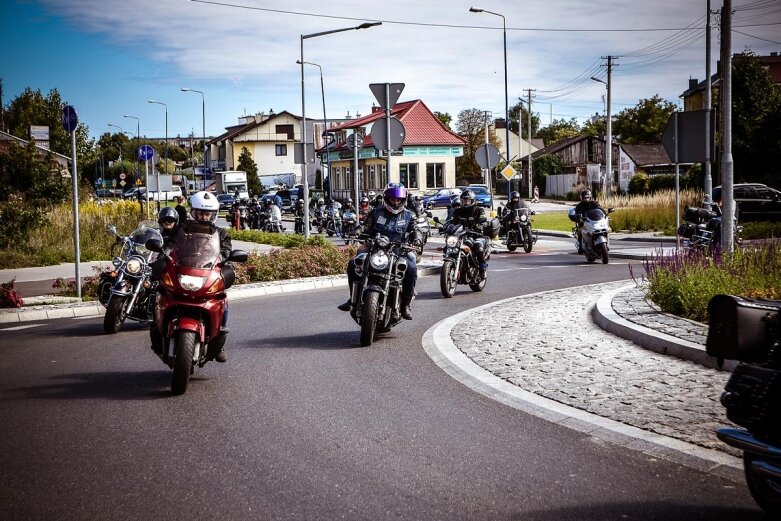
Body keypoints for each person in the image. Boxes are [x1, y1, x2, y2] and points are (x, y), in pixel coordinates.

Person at [338, 184, 421, 320]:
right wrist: (357, 231)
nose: (396, 202)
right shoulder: (376, 212)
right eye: (393, 199)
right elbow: (365, 226)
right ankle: (353, 298)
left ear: (403, 200)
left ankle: (405, 304)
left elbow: (414, 229)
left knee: (411, 268)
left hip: (398, 251)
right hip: (375, 250)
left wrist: (416, 238)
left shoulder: (408, 215)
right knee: (354, 264)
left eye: (398, 200)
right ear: (386, 199)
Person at [450, 189, 489, 277]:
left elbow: (484, 220)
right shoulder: (458, 211)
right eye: (464, 201)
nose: (466, 203)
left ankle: (482, 268)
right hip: (461, 235)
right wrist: (445, 227)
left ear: (472, 201)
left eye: (468, 201)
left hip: (476, 235)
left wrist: (482, 224)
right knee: (449, 246)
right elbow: (452, 222)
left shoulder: (479, 210)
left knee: (478, 247)